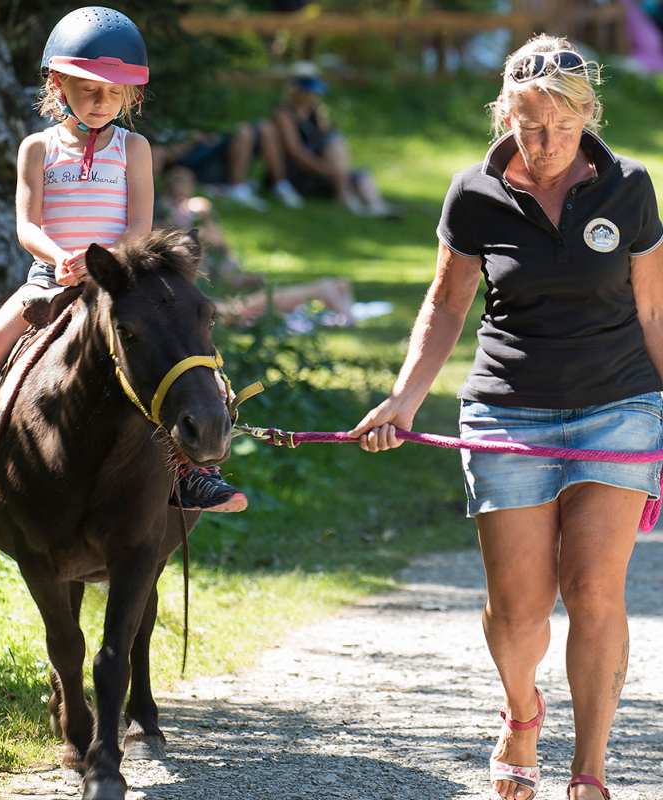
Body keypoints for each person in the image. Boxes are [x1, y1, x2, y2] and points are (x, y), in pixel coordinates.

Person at [350, 34, 663, 800]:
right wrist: (404, 398)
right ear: (505, 113)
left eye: (561, 122)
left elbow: (653, 310)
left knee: (593, 589)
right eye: (527, 122)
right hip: (506, 414)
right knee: (516, 611)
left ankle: (588, 772)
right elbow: (447, 302)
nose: (545, 139)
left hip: (617, 407)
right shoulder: (474, 191)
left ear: (589, 114)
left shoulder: (629, 187)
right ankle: (522, 711)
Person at [0, 6, 246, 516]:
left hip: (121, 282)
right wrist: (62, 257)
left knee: (187, 354)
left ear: (132, 95)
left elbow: (139, 225)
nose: (101, 102)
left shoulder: (135, 148)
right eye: (88, 89)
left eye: (113, 92)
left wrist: (106, 263)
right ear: (59, 85)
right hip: (51, 278)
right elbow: (27, 225)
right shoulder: (37, 148)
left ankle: (199, 469)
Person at [154, 165, 357, 326]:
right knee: (265, 303)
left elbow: (221, 251)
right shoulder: (168, 216)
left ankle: (334, 296)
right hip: (219, 293)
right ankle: (331, 292)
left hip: (221, 291)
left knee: (260, 303)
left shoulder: (192, 211)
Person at [270, 69, 403, 218]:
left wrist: (337, 172)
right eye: (307, 91)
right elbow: (294, 151)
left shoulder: (315, 111)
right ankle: (344, 195)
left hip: (324, 167)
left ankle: (375, 206)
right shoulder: (284, 114)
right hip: (300, 171)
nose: (311, 95)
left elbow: (323, 137)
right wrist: (329, 172)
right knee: (336, 150)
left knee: (362, 175)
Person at [152, 122, 305, 211]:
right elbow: (169, 151)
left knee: (265, 129)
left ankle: (282, 186)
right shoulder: (158, 137)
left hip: (210, 147)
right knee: (244, 133)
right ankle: (237, 189)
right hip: (195, 159)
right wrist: (190, 139)